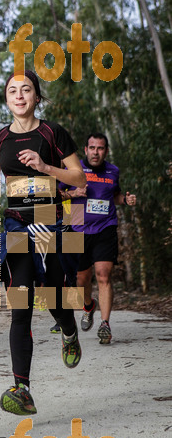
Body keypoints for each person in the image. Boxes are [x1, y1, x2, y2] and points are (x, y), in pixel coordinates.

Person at [0, 70, 86, 416]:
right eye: (12, 90)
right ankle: (21, 388)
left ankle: (68, 328)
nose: (19, 95)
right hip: (16, 225)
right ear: (6, 98)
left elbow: (79, 178)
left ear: (37, 97)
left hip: (49, 222)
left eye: (26, 90)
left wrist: (45, 166)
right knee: (20, 303)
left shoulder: (52, 133)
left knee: (52, 293)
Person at [62, 133, 136, 344]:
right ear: (85, 150)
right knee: (81, 280)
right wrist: (74, 193)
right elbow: (57, 195)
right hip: (77, 229)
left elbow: (114, 196)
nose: (96, 152)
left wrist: (126, 200)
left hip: (106, 228)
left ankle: (105, 324)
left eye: (100, 148)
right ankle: (88, 305)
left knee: (103, 275)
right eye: (92, 148)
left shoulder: (113, 171)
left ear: (106, 151)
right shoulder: (73, 170)